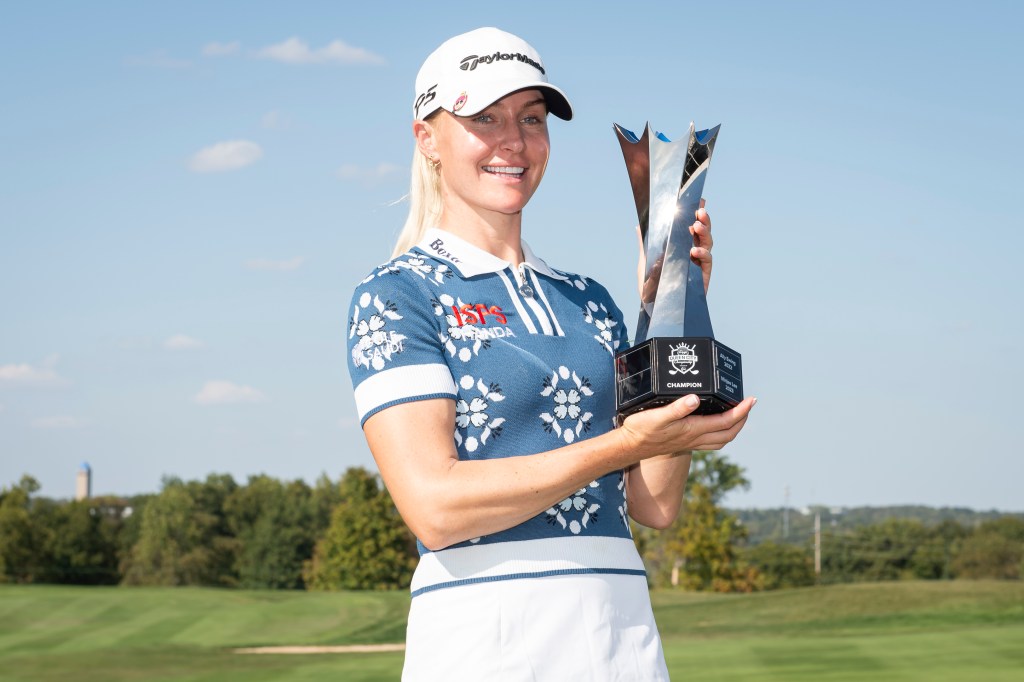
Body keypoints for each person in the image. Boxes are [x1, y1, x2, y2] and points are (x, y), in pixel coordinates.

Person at [346, 27, 755, 681]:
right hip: (484, 645)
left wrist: (674, 315)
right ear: (428, 138)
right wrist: (626, 445)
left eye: (531, 118)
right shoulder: (396, 296)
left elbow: (654, 505)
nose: (514, 140)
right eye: (485, 117)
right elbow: (435, 506)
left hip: (621, 640)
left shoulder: (590, 301)